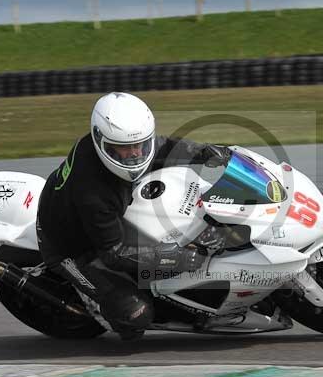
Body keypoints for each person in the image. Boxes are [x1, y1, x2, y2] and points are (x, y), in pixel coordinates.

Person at [36, 92, 229, 339]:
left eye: (140, 145)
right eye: (124, 149)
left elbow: (162, 146)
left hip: (105, 219)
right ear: (100, 141)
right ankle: (97, 306)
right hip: (71, 247)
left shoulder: (128, 147)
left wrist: (203, 152)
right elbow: (113, 253)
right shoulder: (93, 192)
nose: (135, 154)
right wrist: (175, 257)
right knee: (135, 315)